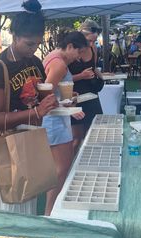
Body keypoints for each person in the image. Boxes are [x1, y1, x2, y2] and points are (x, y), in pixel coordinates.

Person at [0, 0, 58, 214]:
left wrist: (57, 102)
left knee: (30, 199)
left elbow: (39, 97)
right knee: (11, 206)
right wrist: (35, 112)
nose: (33, 49)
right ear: (15, 37)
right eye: (28, 44)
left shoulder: (34, 62)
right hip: (9, 143)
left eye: (36, 44)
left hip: (32, 138)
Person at [42, 29, 87, 215]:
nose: (79, 57)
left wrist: (67, 97)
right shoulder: (60, 64)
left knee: (58, 169)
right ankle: (51, 212)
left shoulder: (52, 56)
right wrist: (68, 107)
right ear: (70, 46)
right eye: (79, 52)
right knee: (61, 170)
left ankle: (52, 210)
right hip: (55, 120)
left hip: (55, 117)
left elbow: (52, 91)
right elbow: (45, 94)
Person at [68, 19, 104, 154]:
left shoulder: (92, 49)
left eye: (93, 41)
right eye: (88, 40)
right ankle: (70, 168)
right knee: (76, 138)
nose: (90, 44)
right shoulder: (70, 49)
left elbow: (93, 68)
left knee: (95, 134)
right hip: (75, 96)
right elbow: (62, 80)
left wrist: (99, 75)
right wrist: (80, 76)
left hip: (91, 95)